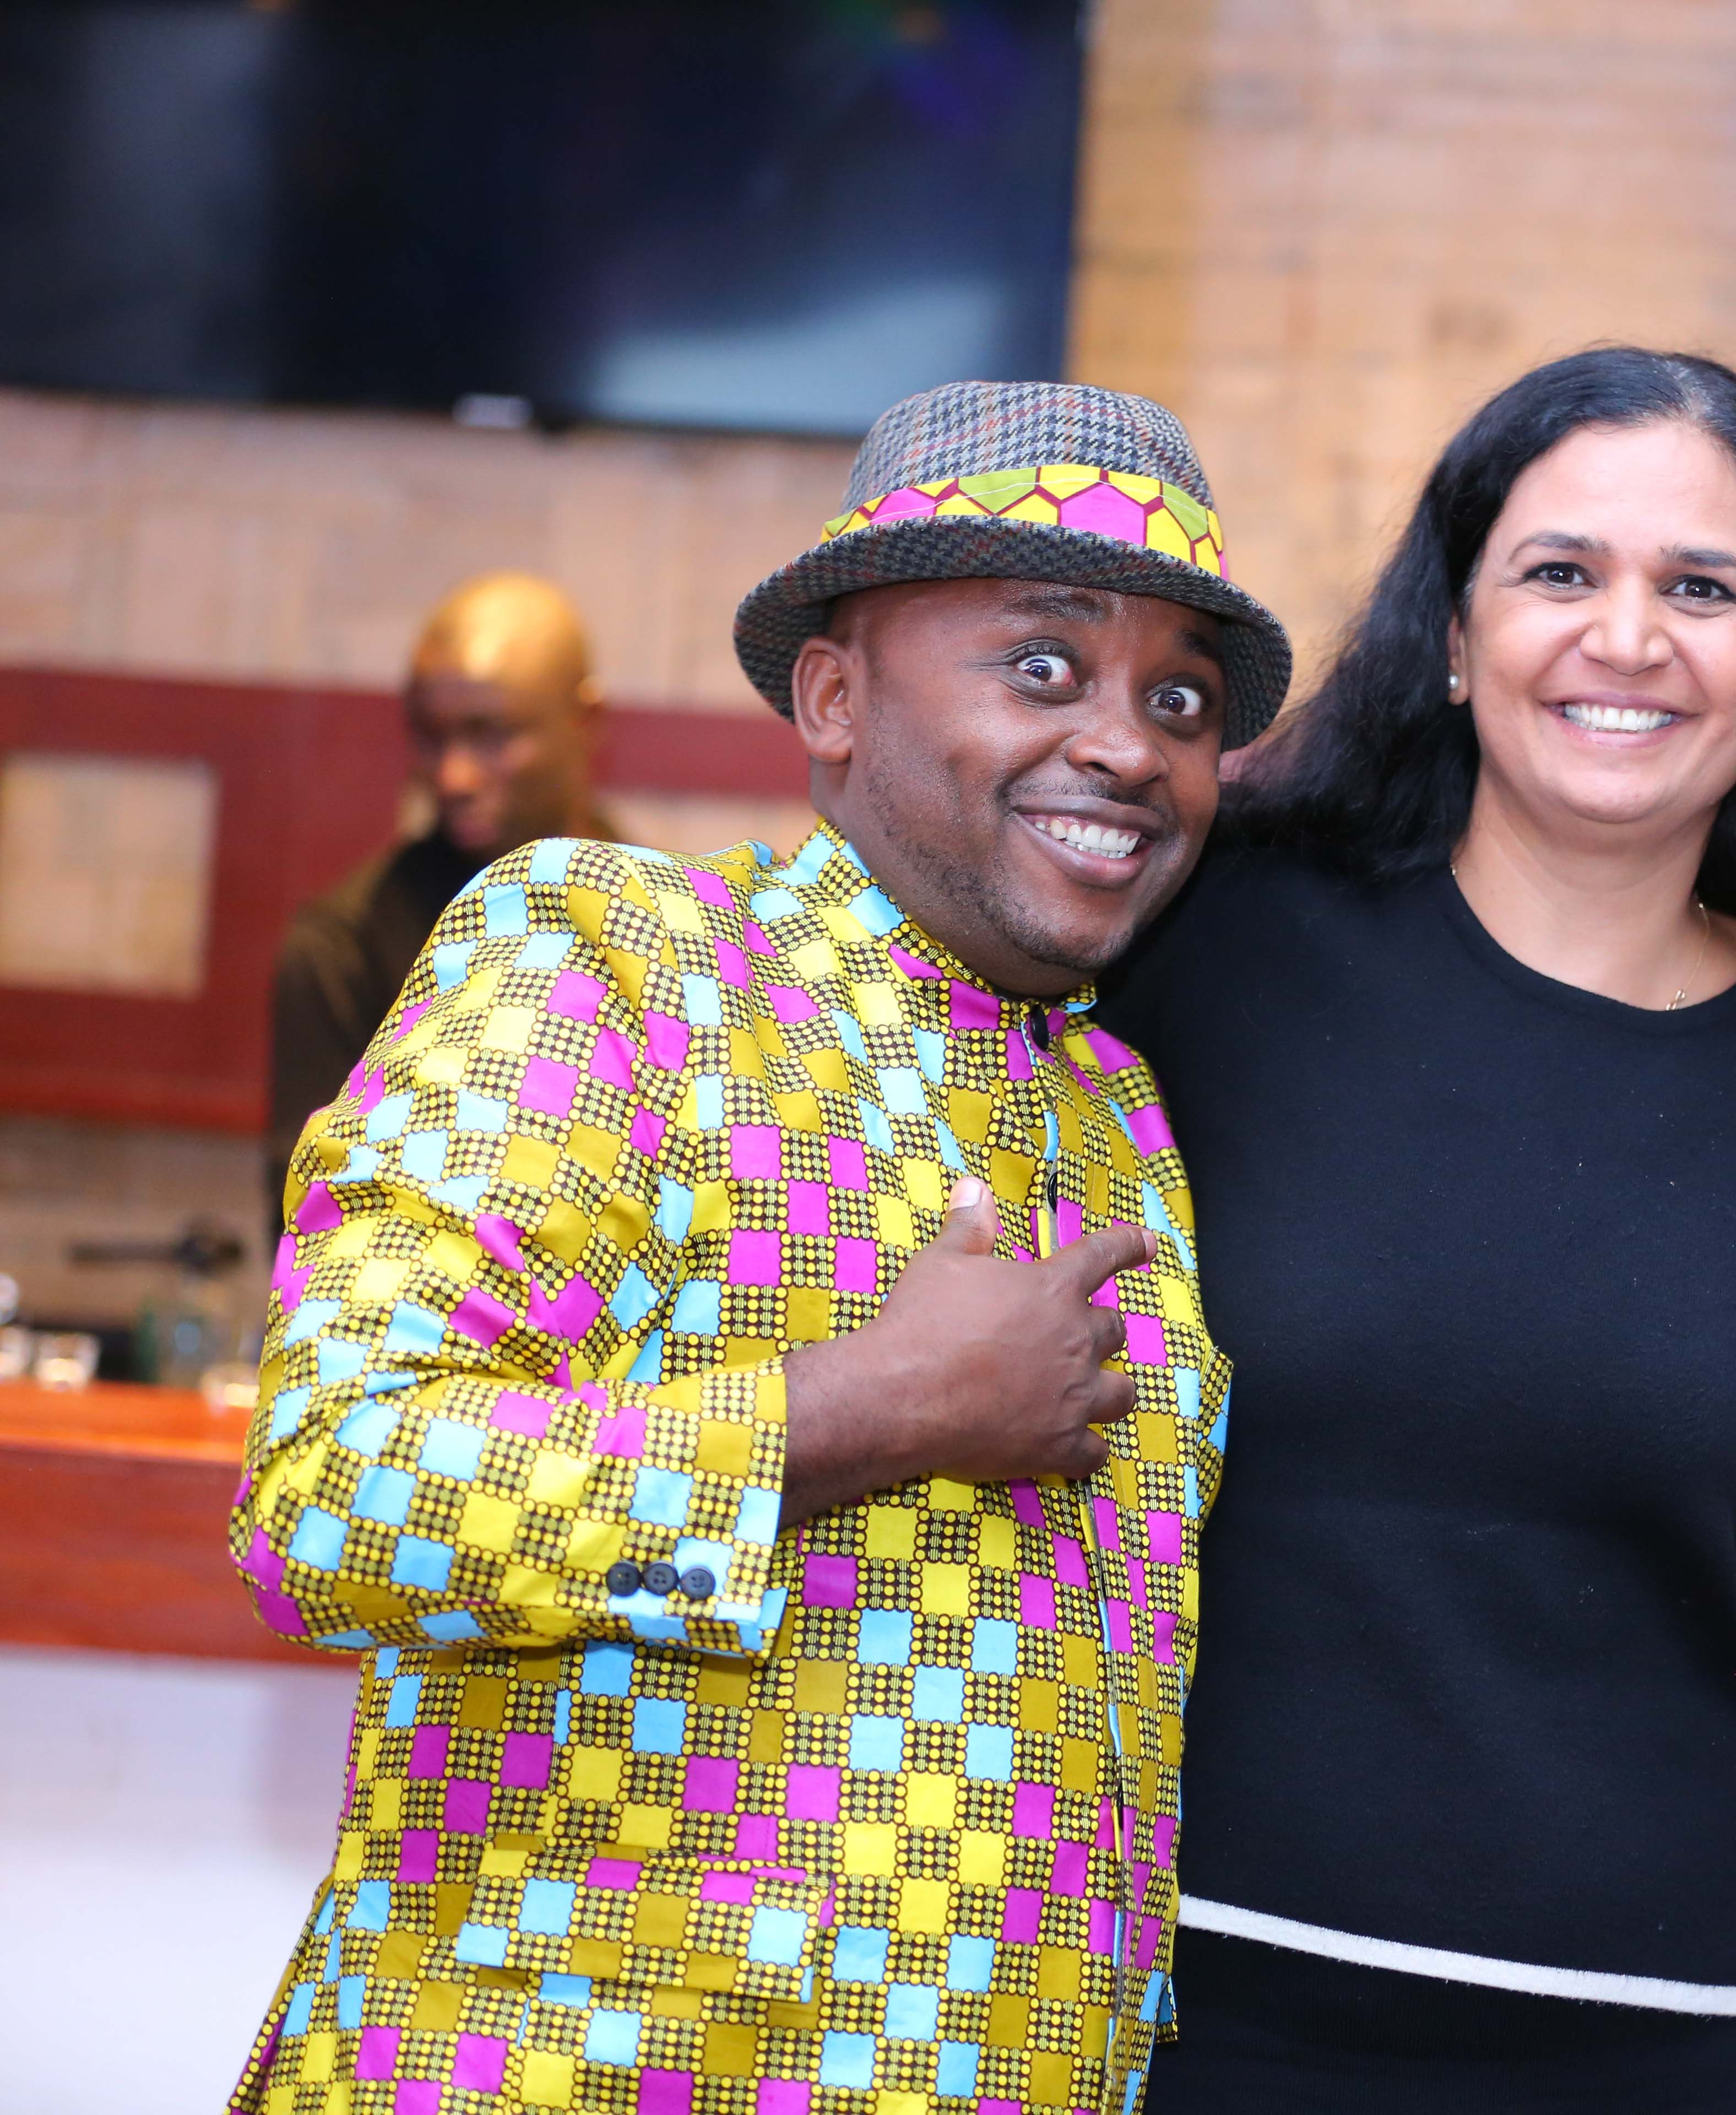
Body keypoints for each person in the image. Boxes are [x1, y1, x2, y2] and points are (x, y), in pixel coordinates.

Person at [222, 381, 1289, 2115]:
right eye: (1044, 664)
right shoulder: (616, 959)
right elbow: (333, 1491)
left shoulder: (1120, 1119)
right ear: (833, 693)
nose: (1126, 741)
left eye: (1178, 697)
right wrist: (864, 1406)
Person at [1098, 346, 1736, 2115]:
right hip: (1187, 1990)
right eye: (1561, 572)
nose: (1628, 636)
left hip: (1652, 2028)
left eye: (1703, 588)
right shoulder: (1208, 941)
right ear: (1454, 639)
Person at [266, 572, 615, 1218]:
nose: (453, 776)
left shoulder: (665, 920)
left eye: (492, 734)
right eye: (431, 735)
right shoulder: (344, 948)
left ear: (584, 722)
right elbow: (308, 1222)